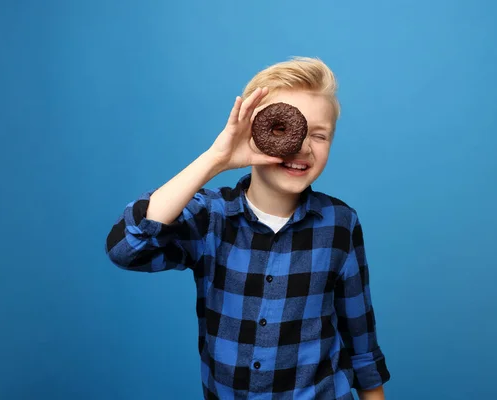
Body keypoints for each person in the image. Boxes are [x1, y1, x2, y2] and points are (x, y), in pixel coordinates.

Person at [105, 56, 390, 399]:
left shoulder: (339, 223)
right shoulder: (210, 217)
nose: (302, 146)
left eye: (319, 135)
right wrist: (216, 159)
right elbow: (126, 248)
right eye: (285, 129)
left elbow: (361, 338)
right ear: (253, 132)